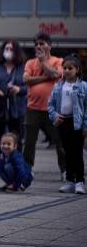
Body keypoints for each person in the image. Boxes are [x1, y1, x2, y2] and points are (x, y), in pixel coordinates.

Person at [23, 33, 66, 183]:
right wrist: (47, 77)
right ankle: (27, 169)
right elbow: (26, 80)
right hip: (33, 108)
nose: (39, 46)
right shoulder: (30, 63)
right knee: (29, 142)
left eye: (42, 43)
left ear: (50, 45)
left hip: (52, 109)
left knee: (60, 142)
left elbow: (56, 74)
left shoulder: (58, 61)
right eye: (36, 44)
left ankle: (65, 170)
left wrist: (43, 62)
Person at [0, 40, 28, 175]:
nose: (8, 51)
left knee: (17, 138)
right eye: (6, 48)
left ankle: (17, 164)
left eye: (11, 49)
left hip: (17, 108)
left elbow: (29, 86)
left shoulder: (23, 67)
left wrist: (19, 89)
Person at [47, 55, 86, 194]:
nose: (67, 70)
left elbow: (86, 108)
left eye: (70, 68)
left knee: (77, 153)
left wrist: (85, 126)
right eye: (65, 68)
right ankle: (69, 181)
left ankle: (80, 181)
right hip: (63, 122)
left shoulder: (83, 86)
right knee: (67, 153)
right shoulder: (58, 86)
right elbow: (50, 105)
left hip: (77, 123)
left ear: (77, 70)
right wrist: (54, 116)